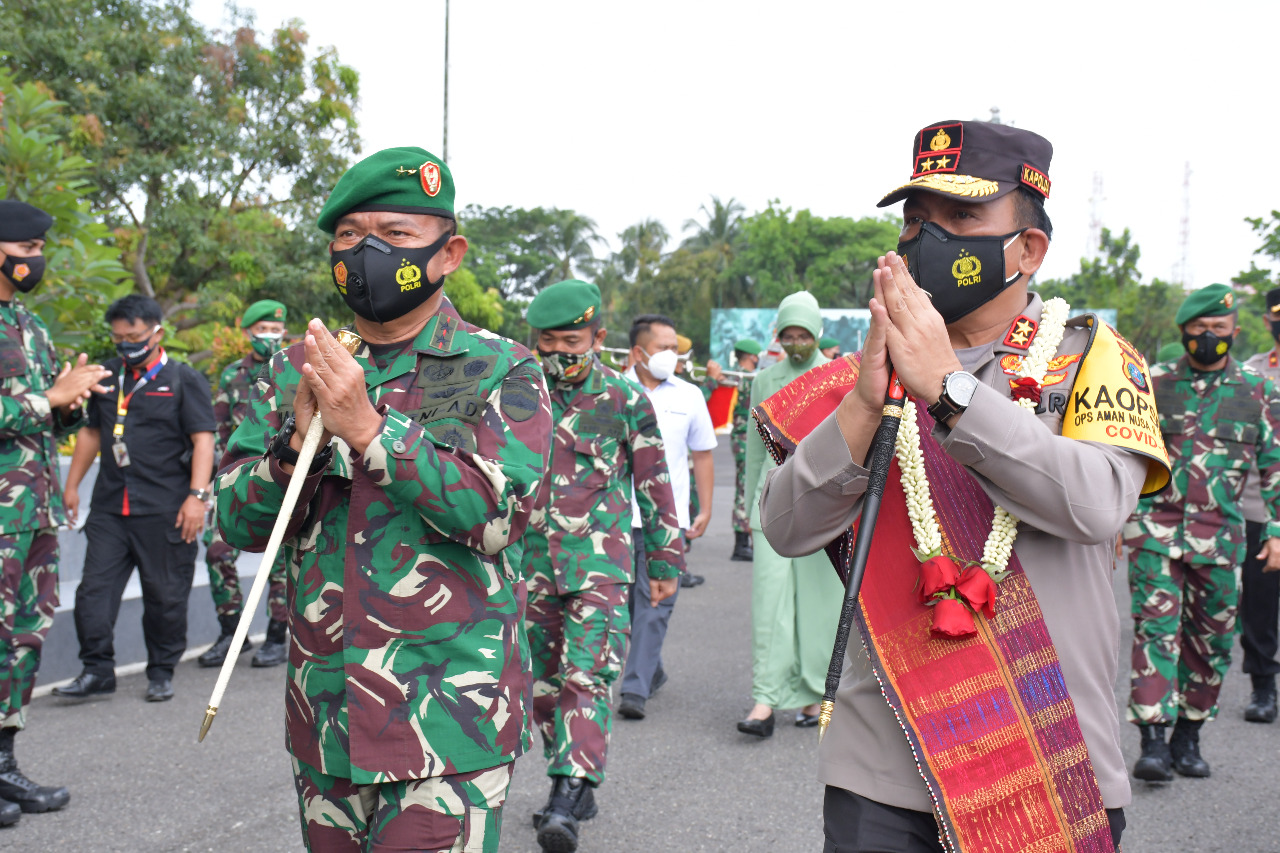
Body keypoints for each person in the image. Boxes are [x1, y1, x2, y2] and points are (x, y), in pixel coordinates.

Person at [757, 120, 1169, 851]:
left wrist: (949, 391)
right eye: (916, 219)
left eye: (962, 217)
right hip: (884, 760)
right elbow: (787, 527)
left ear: (1028, 248)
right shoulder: (859, 377)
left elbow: (1098, 503)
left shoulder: (1092, 359)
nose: (928, 238)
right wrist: (863, 402)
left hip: (1048, 749)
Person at [214, 146, 552, 852]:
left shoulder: (500, 366)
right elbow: (237, 519)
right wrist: (290, 450)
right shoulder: (294, 370)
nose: (367, 251)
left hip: (449, 721)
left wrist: (369, 429)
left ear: (448, 251)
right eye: (350, 235)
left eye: (395, 235)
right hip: (326, 718)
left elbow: (497, 517)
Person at [521, 279, 684, 852]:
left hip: (600, 566)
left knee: (586, 676)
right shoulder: (518, 396)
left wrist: (665, 559)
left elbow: (654, 482)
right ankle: (574, 777)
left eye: (572, 340)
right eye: (548, 341)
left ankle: (566, 793)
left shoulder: (623, 399)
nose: (560, 352)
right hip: (529, 565)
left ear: (597, 337)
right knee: (541, 687)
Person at [1124, 283, 1280, 780]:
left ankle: (1188, 737)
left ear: (1235, 331)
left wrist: (1275, 528)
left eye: (1218, 328)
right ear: (1184, 331)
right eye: (1198, 328)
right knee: (1156, 631)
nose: (1208, 336)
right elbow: (1127, 455)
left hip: (1222, 537)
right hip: (1154, 531)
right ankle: (1152, 741)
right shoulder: (1153, 382)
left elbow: (1274, 464)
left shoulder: (1259, 390)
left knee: (1211, 639)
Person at [56, 294, 215, 704]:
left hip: (166, 508)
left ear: (156, 332)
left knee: (165, 596)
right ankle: (96, 670)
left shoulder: (183, 378)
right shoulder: (106, 376)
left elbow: (203, 440)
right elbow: (91, 433)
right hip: (111, 507)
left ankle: (161, 671)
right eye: (118, 337)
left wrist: (197, 497)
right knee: (93, 593)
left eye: (134, 335)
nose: (126, 343)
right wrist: (71, 485)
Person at [0, 201, 103, 822]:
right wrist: (48, 400)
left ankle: (4, 763)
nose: (36, 261)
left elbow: (49, 414)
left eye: (40, 251)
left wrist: (70, 402)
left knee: (22, 638)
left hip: (31, 511)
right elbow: (30, 406)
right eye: (27, 250)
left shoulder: (30, 325)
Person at [737, 293, 845, 738]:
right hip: (773, 496)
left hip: (823, 499)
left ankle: (812, 696)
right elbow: (751, 444)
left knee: (820, 605)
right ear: (777, 336)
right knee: (770, 601)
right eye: (788, 334)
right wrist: (747, 506)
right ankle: (765, 698)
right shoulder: (766, 379)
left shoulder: (838, 375)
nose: (796, 342)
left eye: (803, 334)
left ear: (817, 333)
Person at [617, 314, 716, 720]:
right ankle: (651, 669)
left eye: (675, 347)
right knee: (626, 606)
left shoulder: (689, 395)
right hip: (617, 518)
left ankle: (634, 687)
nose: (671, 355)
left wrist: (705, 508)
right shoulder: (612, 390)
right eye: (662, 348)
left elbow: (703, 453)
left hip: (666, 520)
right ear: (638, 352)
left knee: (657, 601)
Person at [197, 299, 291, 669]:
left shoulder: (293, 370)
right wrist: (210, 485)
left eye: (275, 329)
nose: (270, 335)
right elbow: (220, 431)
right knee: (217, 552)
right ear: (247, 331)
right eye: (263, 328)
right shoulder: (233, 375)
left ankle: (275, 637)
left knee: (279, 563)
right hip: (239, 480)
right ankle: (230, 631)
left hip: (282, 477)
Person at [1238, 286, 1280, 723]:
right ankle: (1263, 685)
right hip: (1261, 508)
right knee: (1260, 606)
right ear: (1268, 322)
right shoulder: (1252, 375)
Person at [705, 337, 761, 562]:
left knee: (745, 486)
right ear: (751, 357)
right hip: (746, 439)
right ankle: (740, 544)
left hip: (742, 438)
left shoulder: (731, 378)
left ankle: (744, 541)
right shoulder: (744, 379)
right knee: (745, 487)